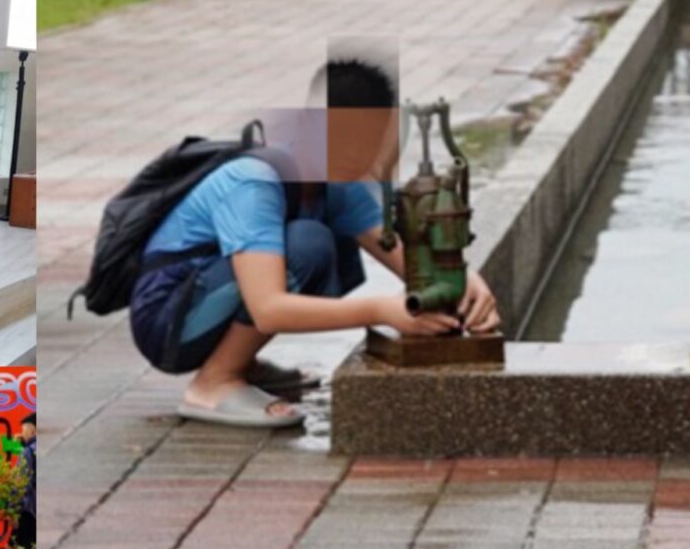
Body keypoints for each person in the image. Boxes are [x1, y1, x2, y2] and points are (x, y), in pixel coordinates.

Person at [125, 56, 502, 428]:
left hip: (206, 301)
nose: (360, 155)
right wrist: (383, 311)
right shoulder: (255, 183)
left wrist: (465, 282)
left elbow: (405, 258)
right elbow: (269, 308)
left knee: (318, 244)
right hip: (167, 322)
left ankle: (240, 362)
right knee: (309, 244)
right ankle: (215, 382)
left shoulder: (337, 184)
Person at [9, 415, 35, 549]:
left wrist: (12, 510)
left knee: (11, 546)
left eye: (23, 430)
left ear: (33, 430)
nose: (20, 434)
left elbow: (19, 482)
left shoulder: (28, 452)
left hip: (29, 510)